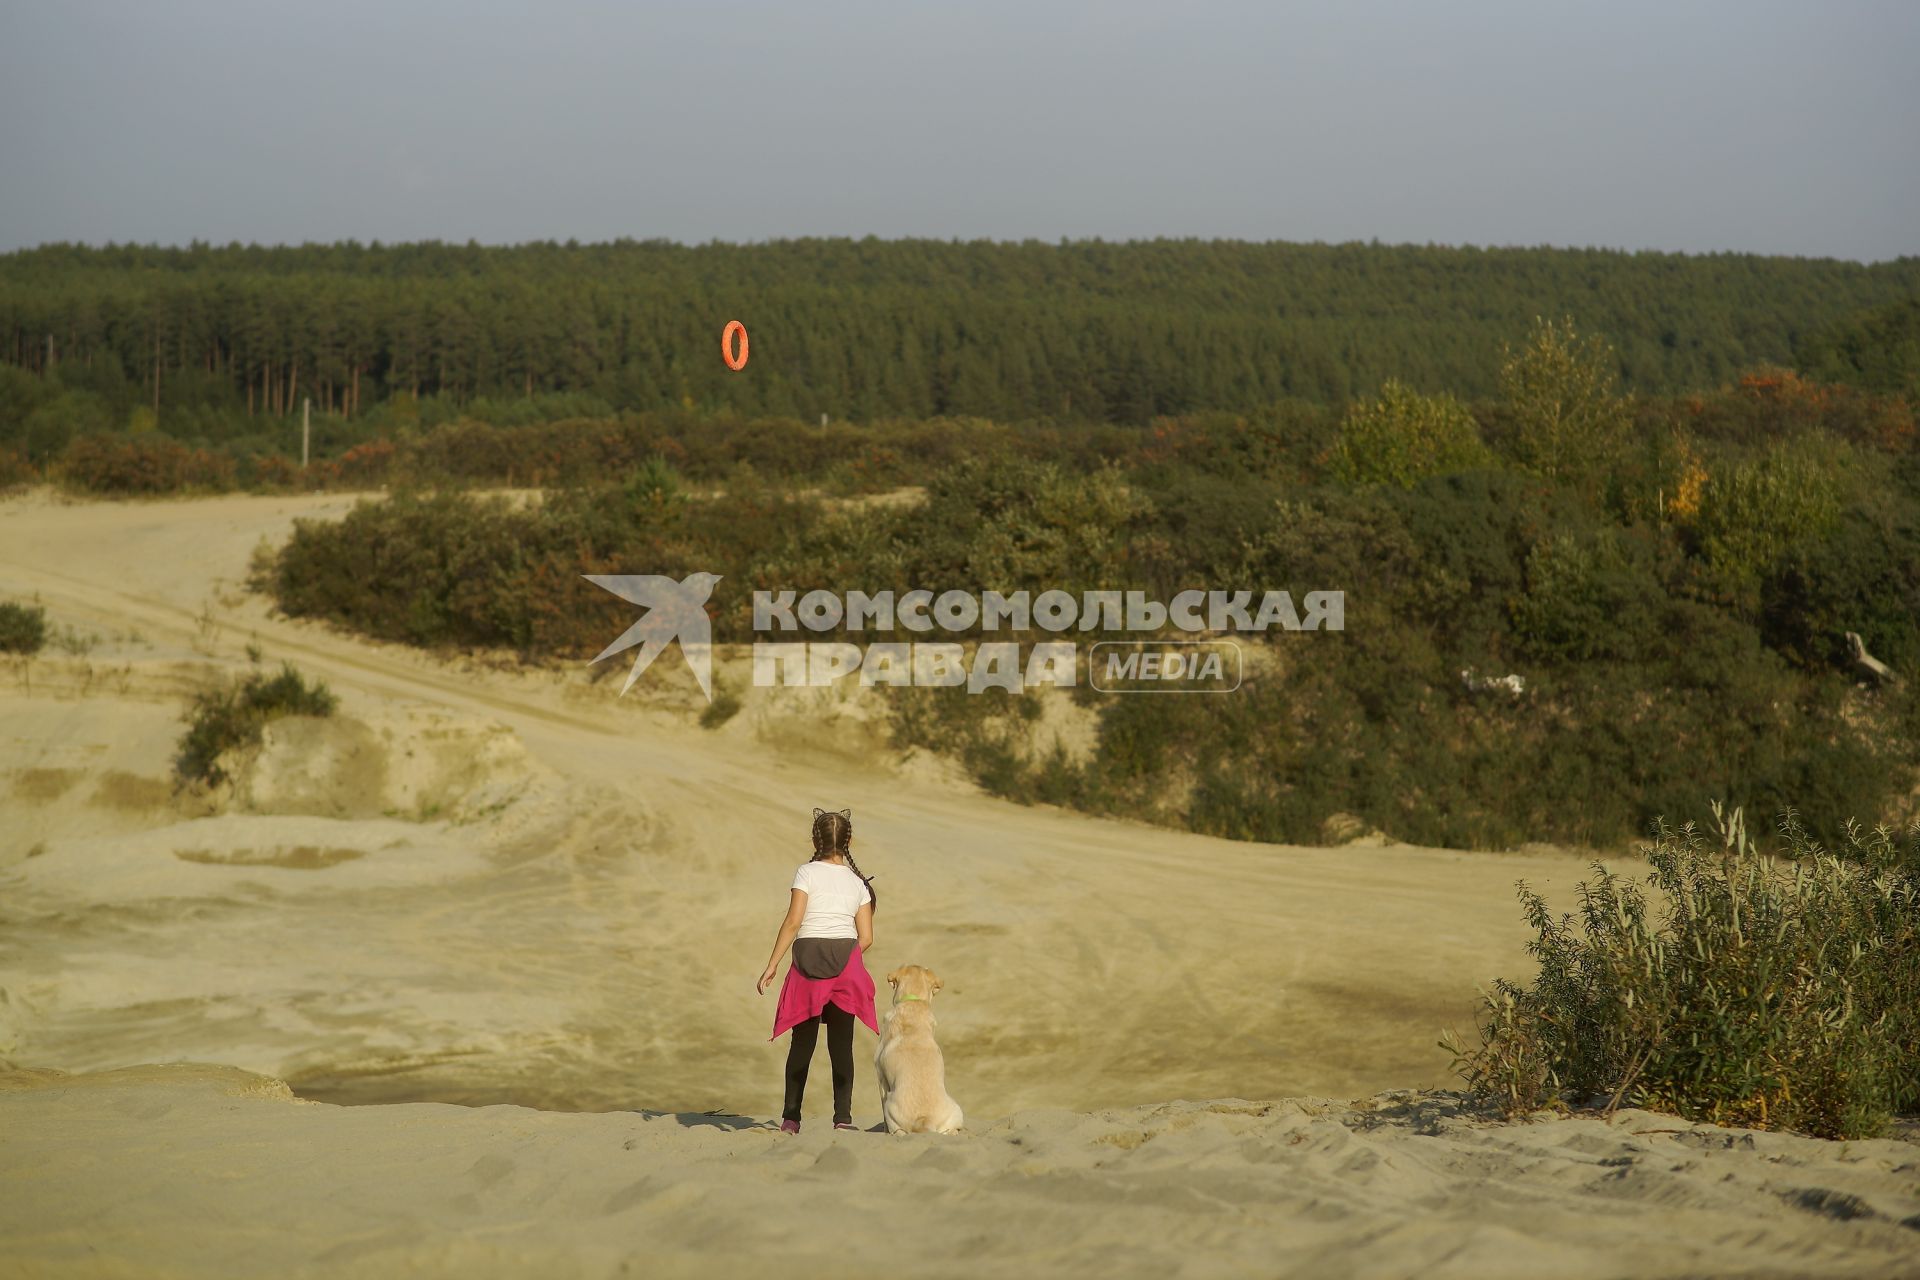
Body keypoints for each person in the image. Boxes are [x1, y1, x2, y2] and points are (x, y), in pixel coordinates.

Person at [757, 807, 879, 1132]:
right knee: (841, 1045)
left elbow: (794, 921)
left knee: (802, 1044)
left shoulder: (806, 873)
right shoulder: (858, 884)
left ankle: (790, 1119)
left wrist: (772, 964)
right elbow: (866, 938)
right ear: (849, 840)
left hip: (807, 960)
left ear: (815, 839)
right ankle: (843, 1119)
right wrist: (845, 959)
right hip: (846, 965)